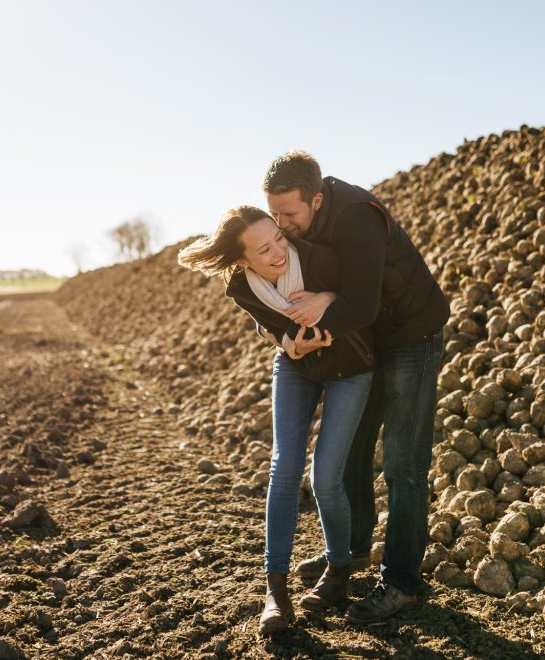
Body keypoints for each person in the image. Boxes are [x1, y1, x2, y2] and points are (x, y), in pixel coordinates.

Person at [262, 150, 450, 624]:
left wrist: (315, 324)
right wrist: (285, 327)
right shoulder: (296, 228)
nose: (280, 225)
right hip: (367, 344)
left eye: (289, 214)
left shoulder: (356, 217)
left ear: (318, 200)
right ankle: (352, 551)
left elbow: (361, 305)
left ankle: (403, 583)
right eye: (273, 213)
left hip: (410, 335)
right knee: (349, 454)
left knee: (403, 465)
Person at [177, 206, 375, 634]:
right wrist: (291, 346)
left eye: (278, 239)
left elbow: (362, 298)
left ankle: (339, 572)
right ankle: (276, 592)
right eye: (264, 249)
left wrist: (328, 299)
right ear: (242, 261)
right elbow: (269, 327)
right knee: (284, 467)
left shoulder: (319, 256)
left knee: (325, 478)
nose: (278, 251)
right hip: (296, 367)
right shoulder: (240, 287)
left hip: (349, 367)